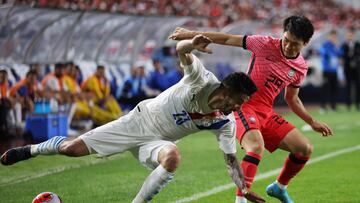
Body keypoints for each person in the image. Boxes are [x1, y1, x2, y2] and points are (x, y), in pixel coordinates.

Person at [1, 35, 264, 203]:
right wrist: (191, 44)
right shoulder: (202, 79)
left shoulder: (225, 123)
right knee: (71, 149)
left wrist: (243, 187)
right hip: (136, 122)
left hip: (158, 142)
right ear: (228, 91)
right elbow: (181, 50)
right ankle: (31, 149)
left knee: (172, 157)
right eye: (240, 100)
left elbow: (231, 161)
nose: (240, 107)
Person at [169, 15, 333, 203]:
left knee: (304, 148)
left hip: (267, 112)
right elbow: (228, 39)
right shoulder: (263, 44)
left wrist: (312, 122)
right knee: (255, 147)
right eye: (286, 40)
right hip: (243, 105)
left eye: (294, 44)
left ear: (305, 43)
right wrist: (191, 34)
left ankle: (279, 188)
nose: (288, 46)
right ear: (283, 34)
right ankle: (240, 201)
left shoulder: (300, 67)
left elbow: (292, 98)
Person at [318, 29, 343, 112]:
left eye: (335, 36)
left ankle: (333, 107)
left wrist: (336, 47)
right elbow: (323, 53)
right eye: (332, 36)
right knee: (325, 89)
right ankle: (323, 107)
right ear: (329, 36)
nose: (333, 38)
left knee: (334, 89)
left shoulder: (337, 46)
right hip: (326, 70)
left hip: (334, 71)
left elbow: (340, 55)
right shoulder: (325, 45)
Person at [341, 28, 360, 111]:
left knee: (357, 87)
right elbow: (343, 57)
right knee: (348, 87)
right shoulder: (344, 45)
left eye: (351, 35)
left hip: (357, 69)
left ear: (353, 36)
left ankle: (357, 104)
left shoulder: (358, 45)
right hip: (347, 69)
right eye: (348, 35)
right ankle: (348, 105)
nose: (350, 37)